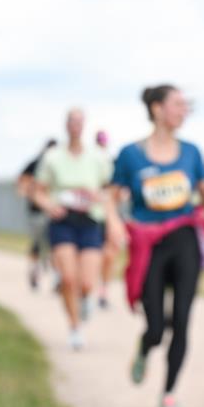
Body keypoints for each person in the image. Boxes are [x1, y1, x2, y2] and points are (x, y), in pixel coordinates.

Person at [110, 85, 204, 407]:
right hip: (149, 244)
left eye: (185, 105)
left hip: (184, 238)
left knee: (182, 319)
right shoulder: (130, 154)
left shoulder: (191, 152)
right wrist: (114, 223)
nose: (183, 110)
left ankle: (169, 394)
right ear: (157, 109)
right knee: (156, 328)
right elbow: (111, 197)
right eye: (178, 104)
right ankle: (145, 347)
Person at [32, 111, 121, 351]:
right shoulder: (52, 157)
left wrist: (108, 212)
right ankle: (74, 327)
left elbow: (111, 190)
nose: (76, 126)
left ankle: (85, 299)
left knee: (88, 282)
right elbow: (38, 190)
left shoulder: (98, 157)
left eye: (80, 121)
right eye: (72, 121)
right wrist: (49, 205)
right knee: (69, 278)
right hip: (63, 220)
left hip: (90, 220)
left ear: (84, 125)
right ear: (66, 125)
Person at [19, 139, 57, 290]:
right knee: (37, 243)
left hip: (55, 212)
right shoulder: (35, 164)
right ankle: (34, 272)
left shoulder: (61, 164)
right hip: (37, 211)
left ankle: (56, 278)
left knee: (56, 244)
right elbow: (22, 181)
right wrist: (31, 193)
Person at [94, 129, 117, 309]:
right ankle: (89, 288)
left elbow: (116, 190)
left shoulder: (111, 162)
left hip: (109, 215)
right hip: (93, 215)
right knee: (94, 255)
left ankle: (103, 292)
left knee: (109, 255)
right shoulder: (90, 159)